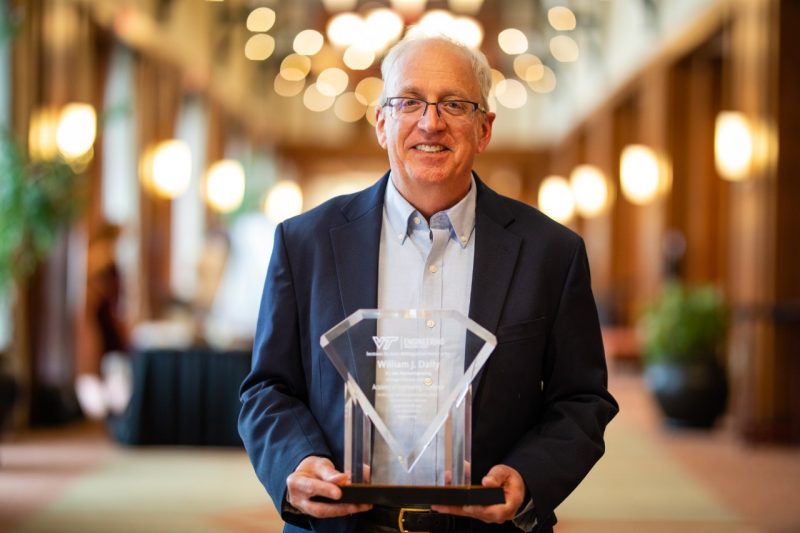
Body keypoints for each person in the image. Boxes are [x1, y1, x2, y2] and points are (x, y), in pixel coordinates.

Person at [239, 35, 618, 533]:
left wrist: (529, 477)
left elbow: (582, 400)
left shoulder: (552, 252)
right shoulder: (304, 243)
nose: (430, 122)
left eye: (454, 104)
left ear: (484, 130)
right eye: (409, 102)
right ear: (381, 122)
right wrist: (296, 462)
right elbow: (267, 387)